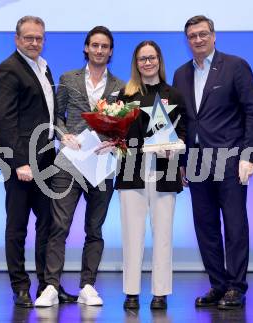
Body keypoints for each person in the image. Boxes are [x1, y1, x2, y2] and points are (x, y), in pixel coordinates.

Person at [173, 15, 253, 309]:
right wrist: (183, 160)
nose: (197, 40)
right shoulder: (180, 74)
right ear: (187, 41)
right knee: (206, 227)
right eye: (192, 36)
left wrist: (250, 155)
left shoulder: (236, 66)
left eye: (202, 34)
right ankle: (218, 284)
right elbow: (183, 122)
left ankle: (236, 287)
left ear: (214, 36)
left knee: (235, 225)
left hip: (230, 159)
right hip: (197, 161)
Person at [35, 26, 124, 307]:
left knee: (94, 228)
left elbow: (125, 127)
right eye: (94, 45)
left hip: (101, 163)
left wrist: (117, 141)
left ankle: (88, 284)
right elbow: (56, 117)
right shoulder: (68, 78)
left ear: (110, 51)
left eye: (104, 46)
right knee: (58, 225)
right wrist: (64, 135)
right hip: (69, 162)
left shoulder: (120, 87)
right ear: (86, 47)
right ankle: (51, 286)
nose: (99, 50)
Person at [0, 15, 75, 307]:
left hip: (45, 160)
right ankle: (20, 287)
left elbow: (45, 114)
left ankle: (47, 286)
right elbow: (5, 122)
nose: (34, 42)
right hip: (19, 163)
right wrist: (19, 163)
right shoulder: (8, 70)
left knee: (49, 224)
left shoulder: (44, 66)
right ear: (17, 40)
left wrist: (60, 138)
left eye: (39, 38)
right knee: (17, 226)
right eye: (28, 38)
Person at [115, 40, 186, 310]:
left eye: (152, 57)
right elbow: (117, 132)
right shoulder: (125, 94)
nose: (148, 62)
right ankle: (131, 292)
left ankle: (160, 293)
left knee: (163, 233)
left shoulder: (174, 94)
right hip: (131, 170)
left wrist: (176, 149)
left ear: (159, 60)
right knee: (131, 235)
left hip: (164, 170)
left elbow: (184, 131)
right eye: (143, 58)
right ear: (136, 62)